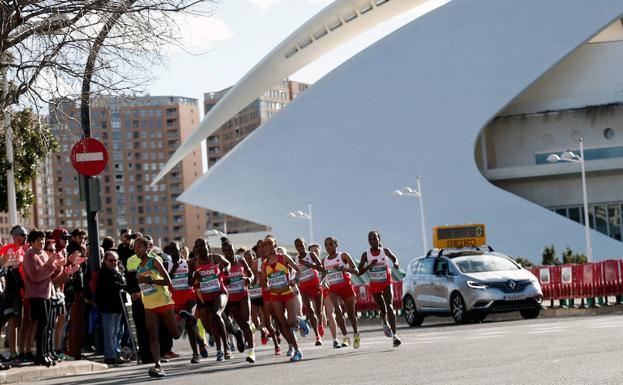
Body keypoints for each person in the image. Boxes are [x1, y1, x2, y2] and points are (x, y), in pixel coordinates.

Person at [135, 237, 195, 378]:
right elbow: (146, 287)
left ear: (147, 247)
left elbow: (168, 281)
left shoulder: (154, 261)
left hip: (163, 301)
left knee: (176, 334)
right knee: (152, 334)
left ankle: (183, 317)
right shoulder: (139, 267)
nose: (136, 250)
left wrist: (150, 280)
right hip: (149, 304)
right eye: (135, 248)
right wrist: (138, 294)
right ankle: (157, 366)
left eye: (139, 247)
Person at [260, 237, 307, 362]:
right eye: (265, 245)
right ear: (263, 248)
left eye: (270, 244)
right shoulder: (264, 264)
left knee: (291, 323)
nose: (268, 246)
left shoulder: (284, 257)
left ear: (275, 244)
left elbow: (298, 270)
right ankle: (297, 350)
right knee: (283, 324)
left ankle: (299, 321)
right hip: (275, 297)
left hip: (288, 294)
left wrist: (295, 280)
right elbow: (263, 280)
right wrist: (267, 286)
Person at [22, 230, 64, 367]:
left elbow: (51, 275)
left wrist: (59, 266)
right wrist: (51, 265)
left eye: (43, 240)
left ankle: (45, 353)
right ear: (32, 242)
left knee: (46, 324)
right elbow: (36, 276)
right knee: (42, 323)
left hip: (46, 293)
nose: (42, 242)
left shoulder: (44, 253)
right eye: (39, 240)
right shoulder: (30, 255)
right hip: (35, 294)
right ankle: (40, 354)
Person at [188, 238, 231, 362]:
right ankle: (219, 349)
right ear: (195, 249)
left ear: (208, 246)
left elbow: (226, 263)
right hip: (204, 297)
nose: (200, 248)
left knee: (216, 314)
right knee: (210, 327)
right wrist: (194, 276)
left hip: (219, 293)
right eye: (197, 246)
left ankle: (226, 347)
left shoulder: (215, 258)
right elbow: (189, 283)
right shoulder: (193, 263)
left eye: (203, 245)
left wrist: (225, 268)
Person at [358, 231, 401, 347]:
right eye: (370, 239)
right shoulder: (366, 255)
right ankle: (385, 322)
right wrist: (370, 266)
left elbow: (394, 258)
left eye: (375, 238)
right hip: (375, 285)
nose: (373, 241)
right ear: (368, 241)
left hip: (386, 282)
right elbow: (359, 271)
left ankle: (395, 336)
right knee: (383, 309)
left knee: (390, 306)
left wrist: (396, 263)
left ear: (379, 239)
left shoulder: (385, 251)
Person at [164, 242, 201, 364]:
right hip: (175, 300)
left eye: (176, 250)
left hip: (189, 296)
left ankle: (196, 354)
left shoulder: (188, 263)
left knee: (190, 325)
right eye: (172, 250)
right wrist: (174, 267)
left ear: (180, 251)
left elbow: (191, 281)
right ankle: (200, 340)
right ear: (169, 252)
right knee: (177, 333)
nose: (174, 252)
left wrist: (196, 276)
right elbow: (166, 280)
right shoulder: (166, 264)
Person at [323, 236, 361, 349]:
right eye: (326, 245)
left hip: (347, 289)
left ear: (336, 245)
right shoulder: (324, 260)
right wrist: (322, 281)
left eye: (331, 244)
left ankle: (356, 333)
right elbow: (324, 273)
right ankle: (345, 337)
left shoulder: (343, 256)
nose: (328, 247)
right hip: (333, 290)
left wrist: (344, 269)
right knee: (338, 310)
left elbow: (357, 271)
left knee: (351, 315)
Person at [222, 239, 256, 363]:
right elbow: (218, 279)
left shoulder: (241, 260)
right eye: (225, 251)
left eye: (230, 249)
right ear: (223, 252)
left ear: (234, 249)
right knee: (241, 324)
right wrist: (224, 282)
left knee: (246, 322)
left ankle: (251, 352)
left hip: (243, 294)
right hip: (231, 298)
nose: (228, 252)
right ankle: (241, 336)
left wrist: (249, 279)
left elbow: (251, 274)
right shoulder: (222, 264)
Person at [0, 226, 27, 363]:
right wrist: (10, 264)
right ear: (16, 236)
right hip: (9, 291)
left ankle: (16, 351)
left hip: (19, 291)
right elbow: (2, 265)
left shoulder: (22, 250)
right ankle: (13, 352)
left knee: (16, 321)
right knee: (10, 320)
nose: (25, 237)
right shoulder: (7, 248)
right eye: (23, 235)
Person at [95, 250, 128, 365]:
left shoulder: (116, 271)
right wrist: (121, 285)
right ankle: (110, 356)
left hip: (117, 307)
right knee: (110, 333)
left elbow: (122, 284)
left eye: (115, 260)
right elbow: (110, 287)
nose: (113, 262)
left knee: (117, 332)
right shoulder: (104, 273)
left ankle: (116, 353)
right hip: (108, 308)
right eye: (111, 260)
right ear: (105, 261)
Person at [247, 246, 281, 355]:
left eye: (250, 257)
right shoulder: (243, 268)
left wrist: (258, 278)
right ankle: (261, 332)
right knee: (254, 322)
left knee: (267, 322)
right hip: (252, 297)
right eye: (246, 258)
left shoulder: (259, 264)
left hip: (262, 296)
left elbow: (265, 276)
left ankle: (277, 345)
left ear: (254, 258)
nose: (248, 260)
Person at [293, 238, 324, 346]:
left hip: (315, 285)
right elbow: (297, 272)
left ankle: (320, 323)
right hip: (304, 287)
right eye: (298, 246)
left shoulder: (311, 255)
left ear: (305, 245)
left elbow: (321, 268)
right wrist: (295, 280)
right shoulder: (296, 258)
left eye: (301, 245)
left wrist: (307, 264)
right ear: (296, 247)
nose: (300, 247)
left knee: (319, 312)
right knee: (310, 311)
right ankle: (317, 336)